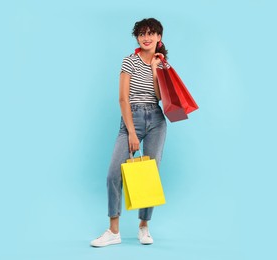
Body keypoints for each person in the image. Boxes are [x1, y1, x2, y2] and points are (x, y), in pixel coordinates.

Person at [91, 18, 168, 247]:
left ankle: (144, 227)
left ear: (158, 38)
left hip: (156, 119)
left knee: (150, 176)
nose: (146, 37)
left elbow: (160, 97)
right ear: (137, 37)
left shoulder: (161, 64)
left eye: (151, 33)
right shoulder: (129, 62)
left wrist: (155, 69)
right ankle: (113, 231)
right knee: (114, 174)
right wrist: (132, 133)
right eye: (141, 33)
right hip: (131, 117)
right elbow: (123, 98)